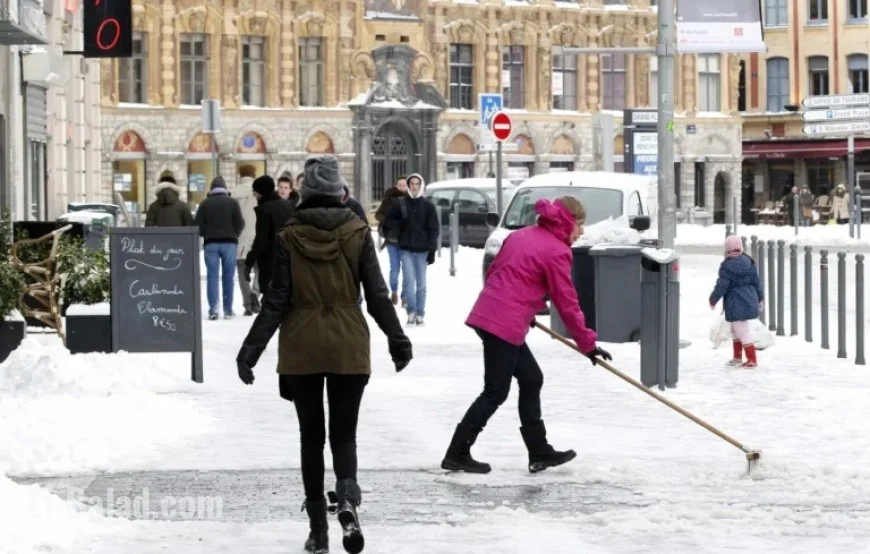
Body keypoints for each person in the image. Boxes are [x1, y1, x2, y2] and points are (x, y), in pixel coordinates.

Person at [235, 155, 413, 554]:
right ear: (338, 192)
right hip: (349, 341)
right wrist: (397, 339)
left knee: (311, 439)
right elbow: (378, 295)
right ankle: (347, 495)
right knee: (345, 435)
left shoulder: (288, 235)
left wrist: (250, 351)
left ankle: (318, 530)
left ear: (306, 193)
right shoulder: (357, 231)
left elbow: (275, 301)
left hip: (302, 345)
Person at [440, 197, 612, 475]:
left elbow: (499, 273)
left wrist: (525, 307)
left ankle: (538, 451)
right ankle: (457, 452)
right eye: (579, 224)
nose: (581, 232)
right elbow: (567, 303)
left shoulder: (520, 236)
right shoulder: (557, 251)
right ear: (567, 221)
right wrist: (588, 344)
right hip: (502, 323)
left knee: (532, 378)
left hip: (492, 313)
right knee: (495, 391)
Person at [382, 173, 439, 325]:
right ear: (408, 185)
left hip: (422, 251)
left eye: (417, 184)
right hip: (405, 249)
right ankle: (411, 312)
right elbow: (387, 222)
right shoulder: (399, 203)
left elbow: (434, 230)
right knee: (408, 282)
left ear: (421, 186)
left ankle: (420, 312)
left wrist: (432, 250)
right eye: (411, 183)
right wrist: (399, 226)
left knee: (421, 284)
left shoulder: (428, 206)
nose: (414, 186)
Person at [194, 177, 245, 320]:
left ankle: (214, 310)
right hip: (230, 243)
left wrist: (206, 234)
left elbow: (197, 225)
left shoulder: (204, 204)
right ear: (225, 188)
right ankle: (228, 310)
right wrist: (234, 234)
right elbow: (240, 223)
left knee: (212, 276)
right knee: (228, 277)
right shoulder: (233, 203)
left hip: (211, 243)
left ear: (211, 189)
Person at [709, 234, 763, 368]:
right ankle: (737, 357)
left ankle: (752, 360)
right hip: (749, 299)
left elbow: (721, 285)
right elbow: (757, 282)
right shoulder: (749, 262)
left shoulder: (726, 266)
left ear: (727, 249)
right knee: (735, 329)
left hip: (735, 302)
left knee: (741, 330)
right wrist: (760, 298)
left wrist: (713, 299)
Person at [244, 175, 296, 295]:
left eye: (255, 191)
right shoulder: (287, 205)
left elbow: (261, 240)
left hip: (271, 261)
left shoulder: (264, 209)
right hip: (289, 259)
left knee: (270, 299)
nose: (254, 194)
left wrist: (249, 262)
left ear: (261, 192)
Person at [229, 171, 260, 316]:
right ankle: (255, 292)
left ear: (239, 176)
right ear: (254, 175)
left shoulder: (233, 193)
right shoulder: (259, 192)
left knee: (242, 271)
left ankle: (248, 304)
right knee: (260, 268)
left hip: (240, 239)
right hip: (258, 236)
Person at [375, 176, 408, 306]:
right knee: (395, 268)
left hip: (407, 241)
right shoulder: (389, 198)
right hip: (392, 240)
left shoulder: (411, 199)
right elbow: (378, 215)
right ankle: (394, 292)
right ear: (396, 186)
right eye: (400, 185)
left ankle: (404, 296)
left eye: (404, 185)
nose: (402, 187)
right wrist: (390, 219)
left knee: (406, 269)